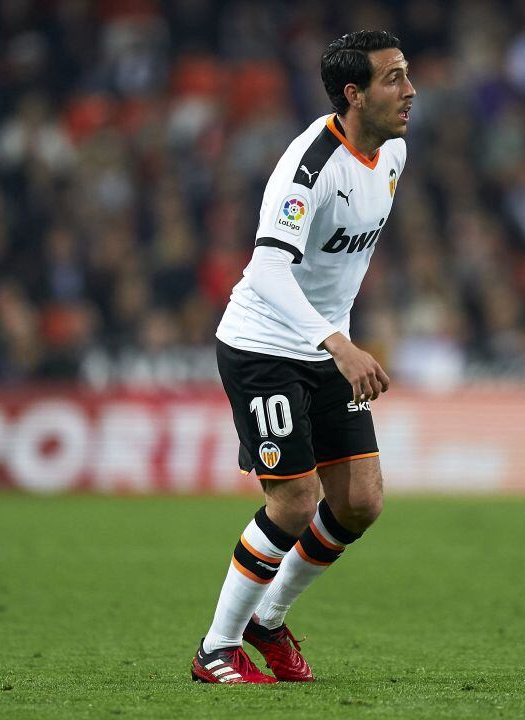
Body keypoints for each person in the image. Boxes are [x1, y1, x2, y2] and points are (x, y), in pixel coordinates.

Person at [191, 30, 415, 684]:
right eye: (393, 78)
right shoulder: (308, 167)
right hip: (264, 347)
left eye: (406, 74)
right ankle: (217, 648)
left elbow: (337, 263)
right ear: (354, 93)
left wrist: (336, 338)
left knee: (360, 503)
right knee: (293, 502)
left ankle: (267, 620)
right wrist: (339, 343)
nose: (410, 90)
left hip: (323, 348)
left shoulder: (394, 153)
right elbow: (266, 270)